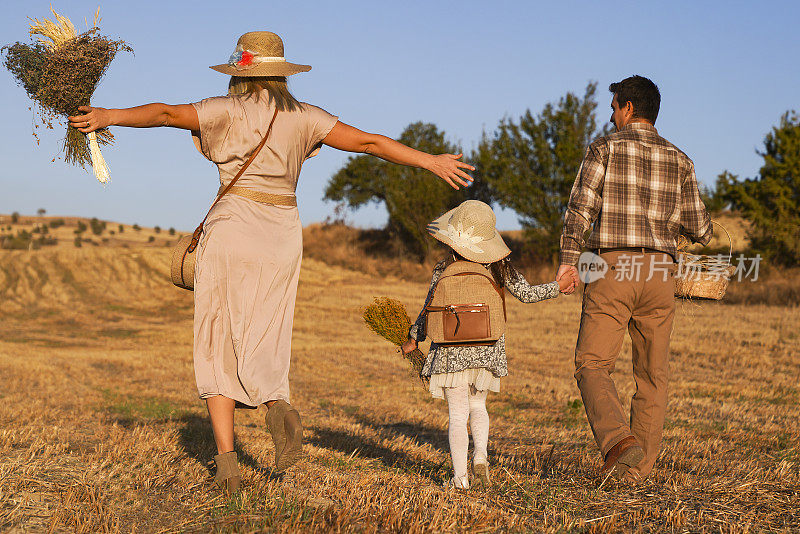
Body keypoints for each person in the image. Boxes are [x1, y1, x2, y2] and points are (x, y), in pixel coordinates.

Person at [69, 31, 474, 493]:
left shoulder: (225, 109)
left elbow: (164, 114)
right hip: (282, 233)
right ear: (282, 73)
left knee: (219, 336)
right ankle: (276, 404)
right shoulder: (306, 117)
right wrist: (430, 161)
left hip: (234, 225)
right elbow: (369, 144)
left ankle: (227, 464)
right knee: (268, 329)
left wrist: (107, 116)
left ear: (241, 73)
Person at [557, 75, 712, 483]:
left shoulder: (604, 147)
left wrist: (569, 261)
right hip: (660, 273)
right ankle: (636, 475)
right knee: (652, 376)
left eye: (613, 107)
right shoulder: (681, 160)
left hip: (613, 268)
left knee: (591, 364)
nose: (610, 116)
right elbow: (702, 229)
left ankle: (619, 442)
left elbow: (580, 210)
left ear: (627, 107)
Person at [402, 200, 575, 489]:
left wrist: (413, 338)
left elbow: (427, 310)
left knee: (457, 415)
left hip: (450, 351)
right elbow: (527, 294)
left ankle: (460, 479)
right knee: (478, 406)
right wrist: (558, 287)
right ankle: (480, 456)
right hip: (487, 348)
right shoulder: (499, 266)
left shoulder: (444, 268)